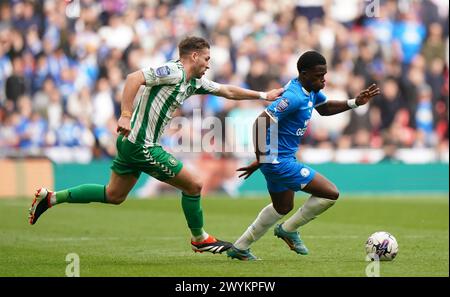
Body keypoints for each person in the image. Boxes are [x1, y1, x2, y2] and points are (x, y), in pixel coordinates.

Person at [29, 36, 284, 255]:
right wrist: (125, 114)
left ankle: (50, 198)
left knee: (113, 195)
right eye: (206, 58)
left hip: (132, 143)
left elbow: (227, 91)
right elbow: (133, 78)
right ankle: (200, 240)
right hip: (142, 144)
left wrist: (263, 96)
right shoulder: (172, 71)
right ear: (194, 56)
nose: (209, 64)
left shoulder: (194, 82)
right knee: (194, 184)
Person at [227, 51, 380, 260]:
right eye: (319, 75)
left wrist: (355, 102)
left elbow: (324, 109)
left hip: (277, 159)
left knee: (283, 206)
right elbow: (261, 122)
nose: (323, 79)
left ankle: (240, 247)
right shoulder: (293, 97)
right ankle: (288, 230)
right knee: (330, 193)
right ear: (304, 74)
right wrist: (263, 158)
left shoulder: (311, 90)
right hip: (278, 162)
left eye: (324, 74)